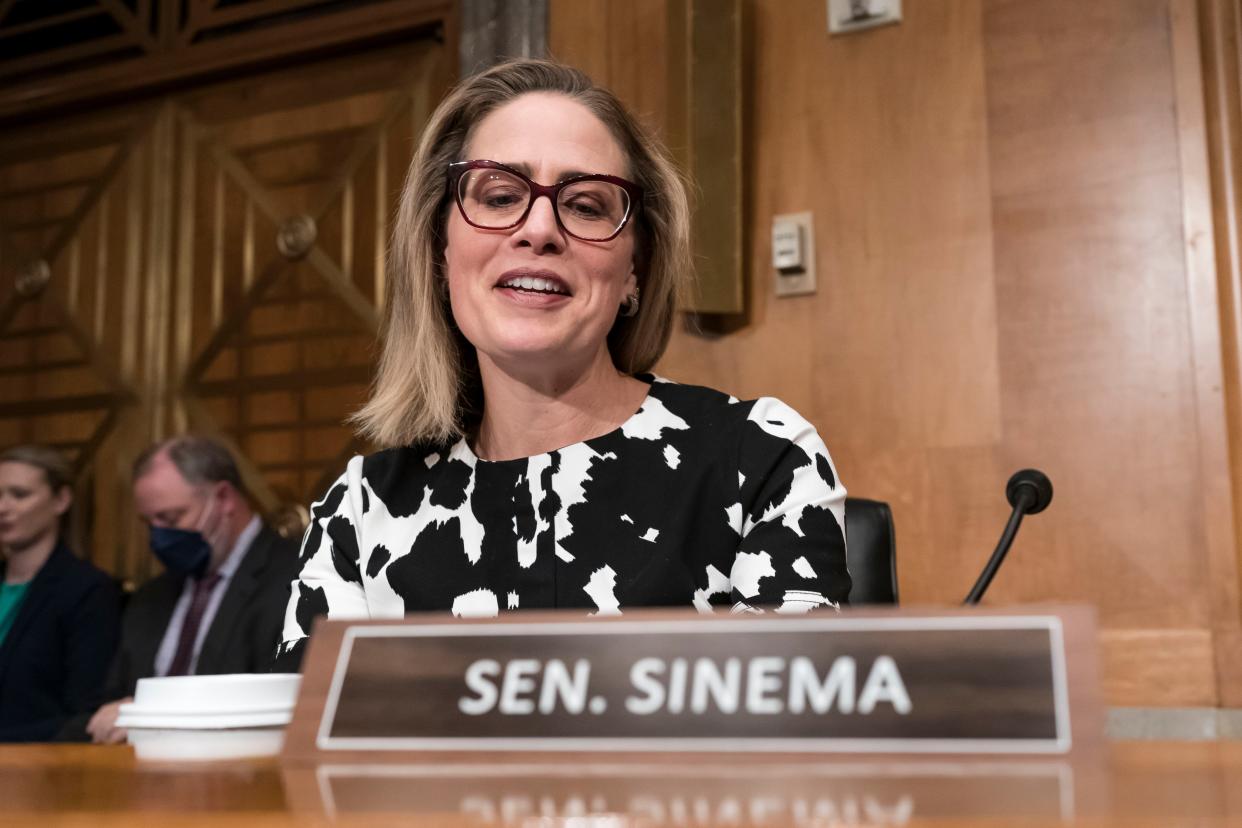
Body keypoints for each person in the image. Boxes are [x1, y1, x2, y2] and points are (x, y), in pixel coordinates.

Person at [275, 58, 850, 671]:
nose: (540, 229)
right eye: (499, 196)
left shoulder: (760, 459)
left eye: (586, 206)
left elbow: (783, 744)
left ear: (635, 268)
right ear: (441, 252)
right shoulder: (361, 513)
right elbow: (315, 758)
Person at [82, 436, 300, 744]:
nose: (159, 536)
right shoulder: (152, 596)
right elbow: (111, 699)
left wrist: (153, 716)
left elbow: (285, 700)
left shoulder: (300, 579)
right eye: (150, 522)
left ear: (224, 498)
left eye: (171, 518)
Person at [0, 445, 120, 742]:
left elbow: (85, 714)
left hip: (37, 771)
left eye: (19, 494)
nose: (3, 507)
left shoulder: (87, 590)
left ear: (61, 500)